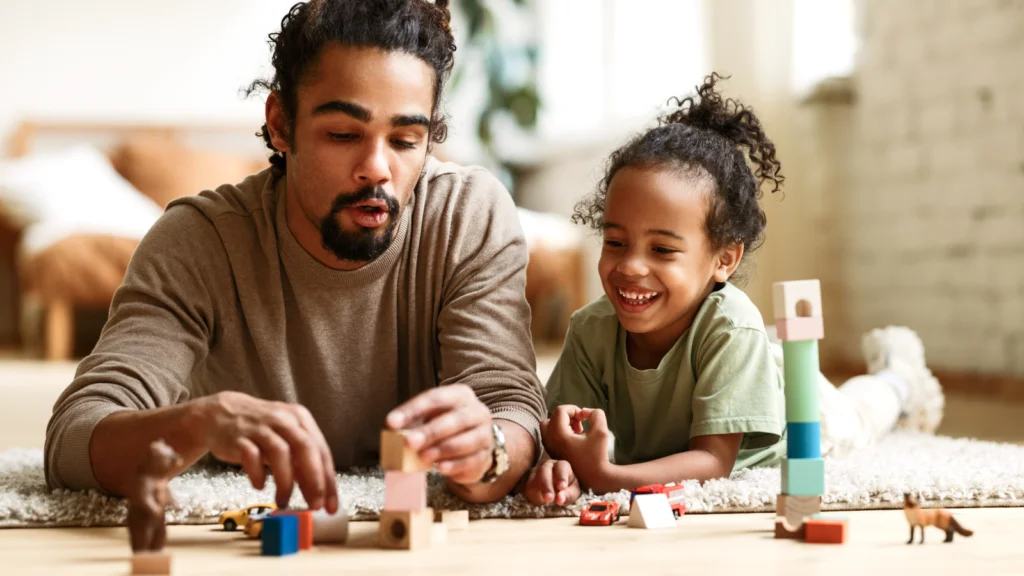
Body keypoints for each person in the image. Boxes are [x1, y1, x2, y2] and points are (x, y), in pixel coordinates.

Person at [44, 0, 547, 510]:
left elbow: (513, 407)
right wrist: (198, 422)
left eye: (404, 139)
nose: (376, 168)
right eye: (343, 134)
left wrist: (490, 450)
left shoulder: (468, 216)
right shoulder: (199, 240)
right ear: (281, 123)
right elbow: (75, 439)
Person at [523, 74, 944, 506]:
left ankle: (900, 377)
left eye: (663, 250)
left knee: (858, 417)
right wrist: (558, 467)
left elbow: (711, 462)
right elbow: (563, 436)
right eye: (615, 242)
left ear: (724, 259)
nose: (630, 266)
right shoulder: (589, 330)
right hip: (744, 357)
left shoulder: (730, 327)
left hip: (800, 407)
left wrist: (608, 475)